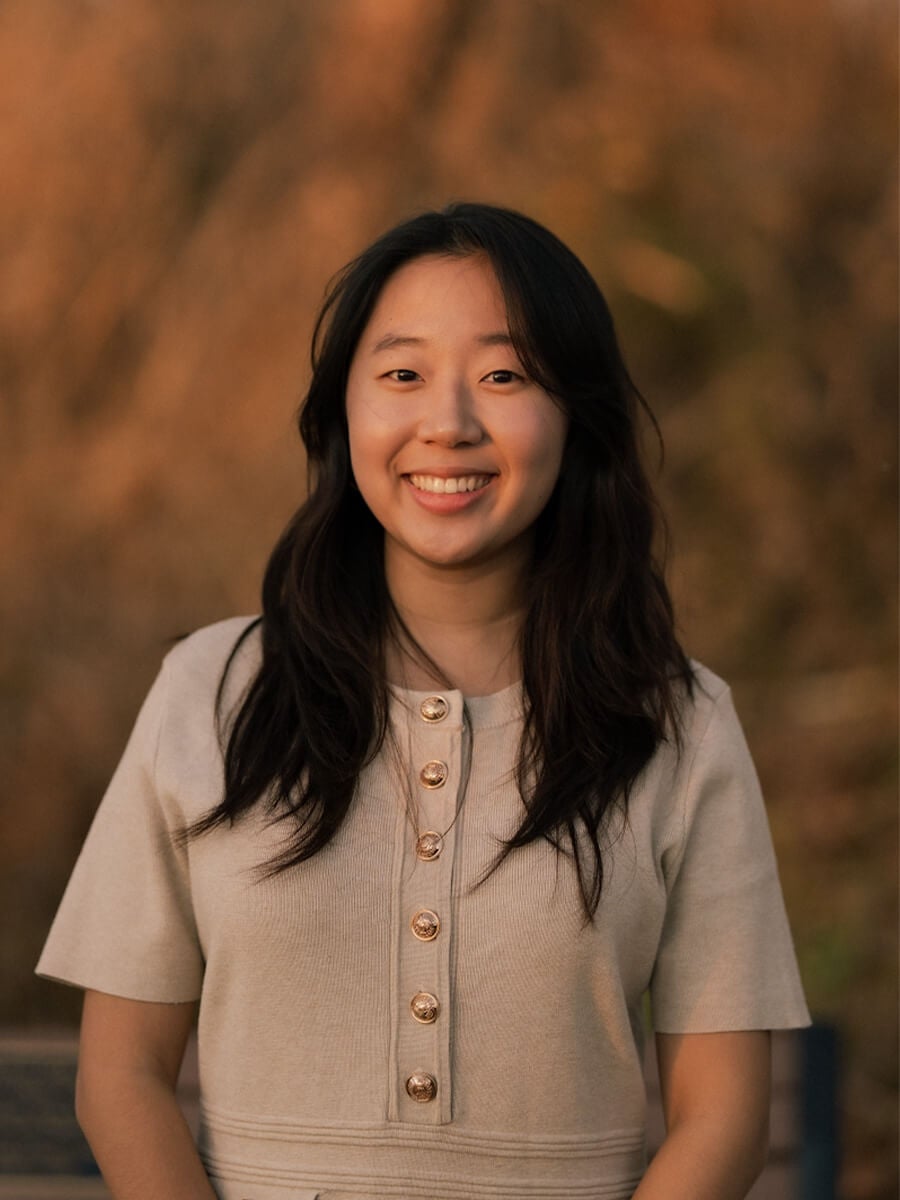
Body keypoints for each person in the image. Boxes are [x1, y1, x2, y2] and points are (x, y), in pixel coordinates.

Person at [37, 202, 809, 1200]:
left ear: (576, 415)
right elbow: (119, 1077)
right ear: (343, 413)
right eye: (402, 374)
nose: (448, 422)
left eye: (505, 375)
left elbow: (724, 1116)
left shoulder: (680, 723)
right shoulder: (213, 691)